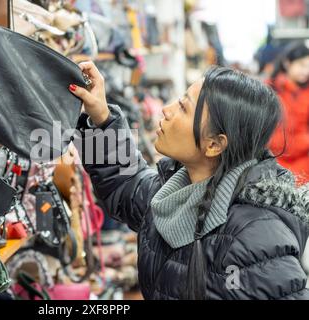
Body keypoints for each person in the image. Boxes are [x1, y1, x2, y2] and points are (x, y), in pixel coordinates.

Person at [68, 63, 309, 300]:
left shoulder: (257, 239)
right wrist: (101, 117)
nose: (166, 110)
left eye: (183, 108)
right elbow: (129, 186)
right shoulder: (177, 194)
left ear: (214, 144)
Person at [268, 41, 309, 183]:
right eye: (302, 65)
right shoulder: (270, 89)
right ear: (287, 63)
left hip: (304, 161)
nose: (306, 71)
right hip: (274, 160)